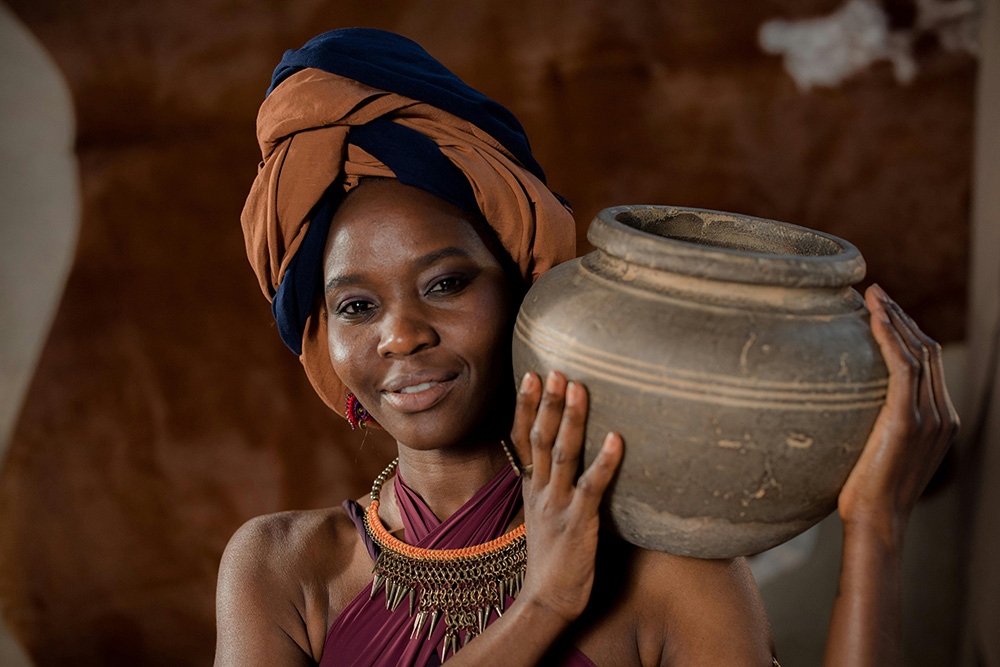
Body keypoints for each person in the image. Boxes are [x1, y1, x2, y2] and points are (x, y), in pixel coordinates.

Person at [216, 28, 958, 667]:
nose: (402, 333)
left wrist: (876, 529)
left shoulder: (671, 575)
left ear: (522, 286)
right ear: (323, 335)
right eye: (356, 305)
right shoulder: (281, 570)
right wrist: (543, 603)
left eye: (445, 283)